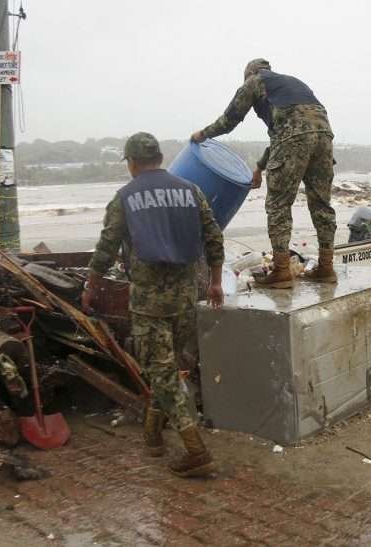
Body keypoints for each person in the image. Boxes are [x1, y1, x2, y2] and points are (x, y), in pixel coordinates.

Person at [81, 132, 225, 478]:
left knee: (161, 373)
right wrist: (216, 281)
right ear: (159, 158)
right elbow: (213, 237)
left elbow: (106, 248)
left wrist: (91, 286)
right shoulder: (191, 191)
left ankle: (195, 449)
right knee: (168, 369)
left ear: (132, 163)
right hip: (186, 298)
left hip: (148, 304)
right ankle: (152, 436)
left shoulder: (125, 197)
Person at [191, 58, 336, 289]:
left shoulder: (255, 81)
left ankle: (281, 271)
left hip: (294, 139)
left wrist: (203, 134)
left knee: (278, 205)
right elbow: (286, 136)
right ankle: (326, 268)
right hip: (324, 138)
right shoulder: (293, 84)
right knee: (322, 205)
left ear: (249, 73)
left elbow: (230, 120)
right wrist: (259, 168)